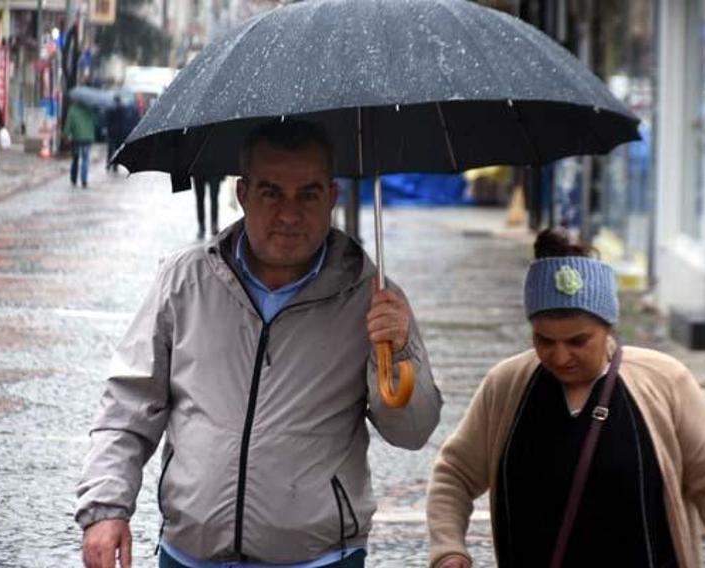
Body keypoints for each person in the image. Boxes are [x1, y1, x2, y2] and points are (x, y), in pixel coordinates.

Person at [75, 119, 442, 568]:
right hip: (190, 555)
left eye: (307, 194)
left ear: (332, 197)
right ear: (242, 193)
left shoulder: (373, 299)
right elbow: (129, 403)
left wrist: (399, 349)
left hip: (320, 559)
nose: (289, 214)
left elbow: (413, 431)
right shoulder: (185, 281)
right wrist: (106, 508)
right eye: (271, 192)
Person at [426, 230, 705, 568]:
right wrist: (449, 550)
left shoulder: (664, 381)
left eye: (578, 341)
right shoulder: (507, 385)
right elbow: (454, 473)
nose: (560, 356)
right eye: (544, 340)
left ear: (609, 328)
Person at [64, 100, 96, 188]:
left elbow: (68, 123)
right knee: (85, 159)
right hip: (87, 138)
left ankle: (74, 178)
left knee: (75, 159)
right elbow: (94, 121)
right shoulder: (89, 109)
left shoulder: (72, 109)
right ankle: (84, 180)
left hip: (76, 138)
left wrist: (66, 134)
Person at [192, 174, 224, 239]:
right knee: (200, 199)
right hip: (198, 170)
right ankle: (202, 226)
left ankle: (213, 225)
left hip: (214, 170)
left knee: (214, 198)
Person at [105, 95, 125, 173]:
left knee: (110, 149)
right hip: (119, 132)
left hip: (111, 132)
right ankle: (115, 166)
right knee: (117, 150)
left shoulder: (110, 108)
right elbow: (124, 120)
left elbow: (107, 120)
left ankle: (109, 164)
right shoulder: (122, 108)